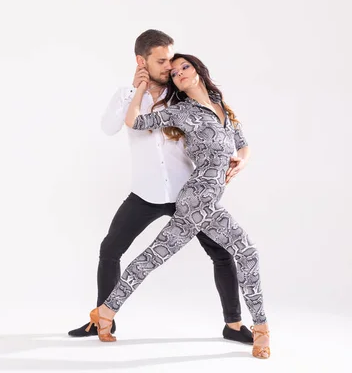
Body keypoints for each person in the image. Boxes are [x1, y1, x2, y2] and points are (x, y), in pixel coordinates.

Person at [68, 30, 253, 344]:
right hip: (146, 192)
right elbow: (109, 127)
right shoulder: (127, 95)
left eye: (172, 59)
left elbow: (227, 123)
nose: (170, 66)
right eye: (162, 60)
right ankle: (103, 318)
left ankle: (233, 325)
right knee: (110, 250)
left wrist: (243, 157)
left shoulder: (180, 93)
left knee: (222, 253)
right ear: (142, 61)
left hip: (188, 193)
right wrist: (135, 89)